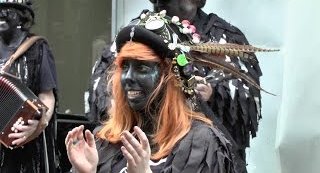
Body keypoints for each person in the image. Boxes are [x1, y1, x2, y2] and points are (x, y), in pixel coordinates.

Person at [65, 11, 247, 173]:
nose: (127, 77)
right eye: (125, 67)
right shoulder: (104, 141)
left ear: (170, 77)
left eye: (142, 68)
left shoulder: (202, 144)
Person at [145, 0, 262, 172]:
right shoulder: (137, 33)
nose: (164, 1)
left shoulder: (225, 37)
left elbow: (248, 99)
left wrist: (213, 94)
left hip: (211, 158)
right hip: (151, 154)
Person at [0, 0, 59, 172]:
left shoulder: (38, 48)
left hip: (25, 148)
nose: (1, 14)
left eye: (7, 10)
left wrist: (39, 123)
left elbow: (47, 96)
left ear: (22, 16)